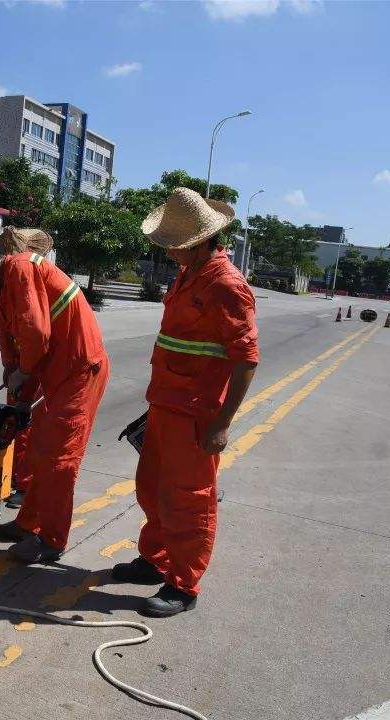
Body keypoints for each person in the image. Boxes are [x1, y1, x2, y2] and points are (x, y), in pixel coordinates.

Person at [110, 187, 259, 618]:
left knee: (189, 499)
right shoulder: (188, 274)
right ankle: (154, 559)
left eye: (174, 243)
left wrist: (222, 423)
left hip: (196, 415)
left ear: (197, 241)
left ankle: (183, 584)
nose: (168, 250)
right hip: (166, 405)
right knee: (153, 488)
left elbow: (246, 359)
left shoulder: (225, 285)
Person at [0, 230, 109, 563]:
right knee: (42, 452)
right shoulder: (7, 284)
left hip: (79, 373)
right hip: (57, 375)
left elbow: (35, 333)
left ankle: (51, 540)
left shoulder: (19, 267)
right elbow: (13, 334)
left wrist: (23, 371)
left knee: (60, 461)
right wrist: (13, 373)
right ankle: (28, 524)